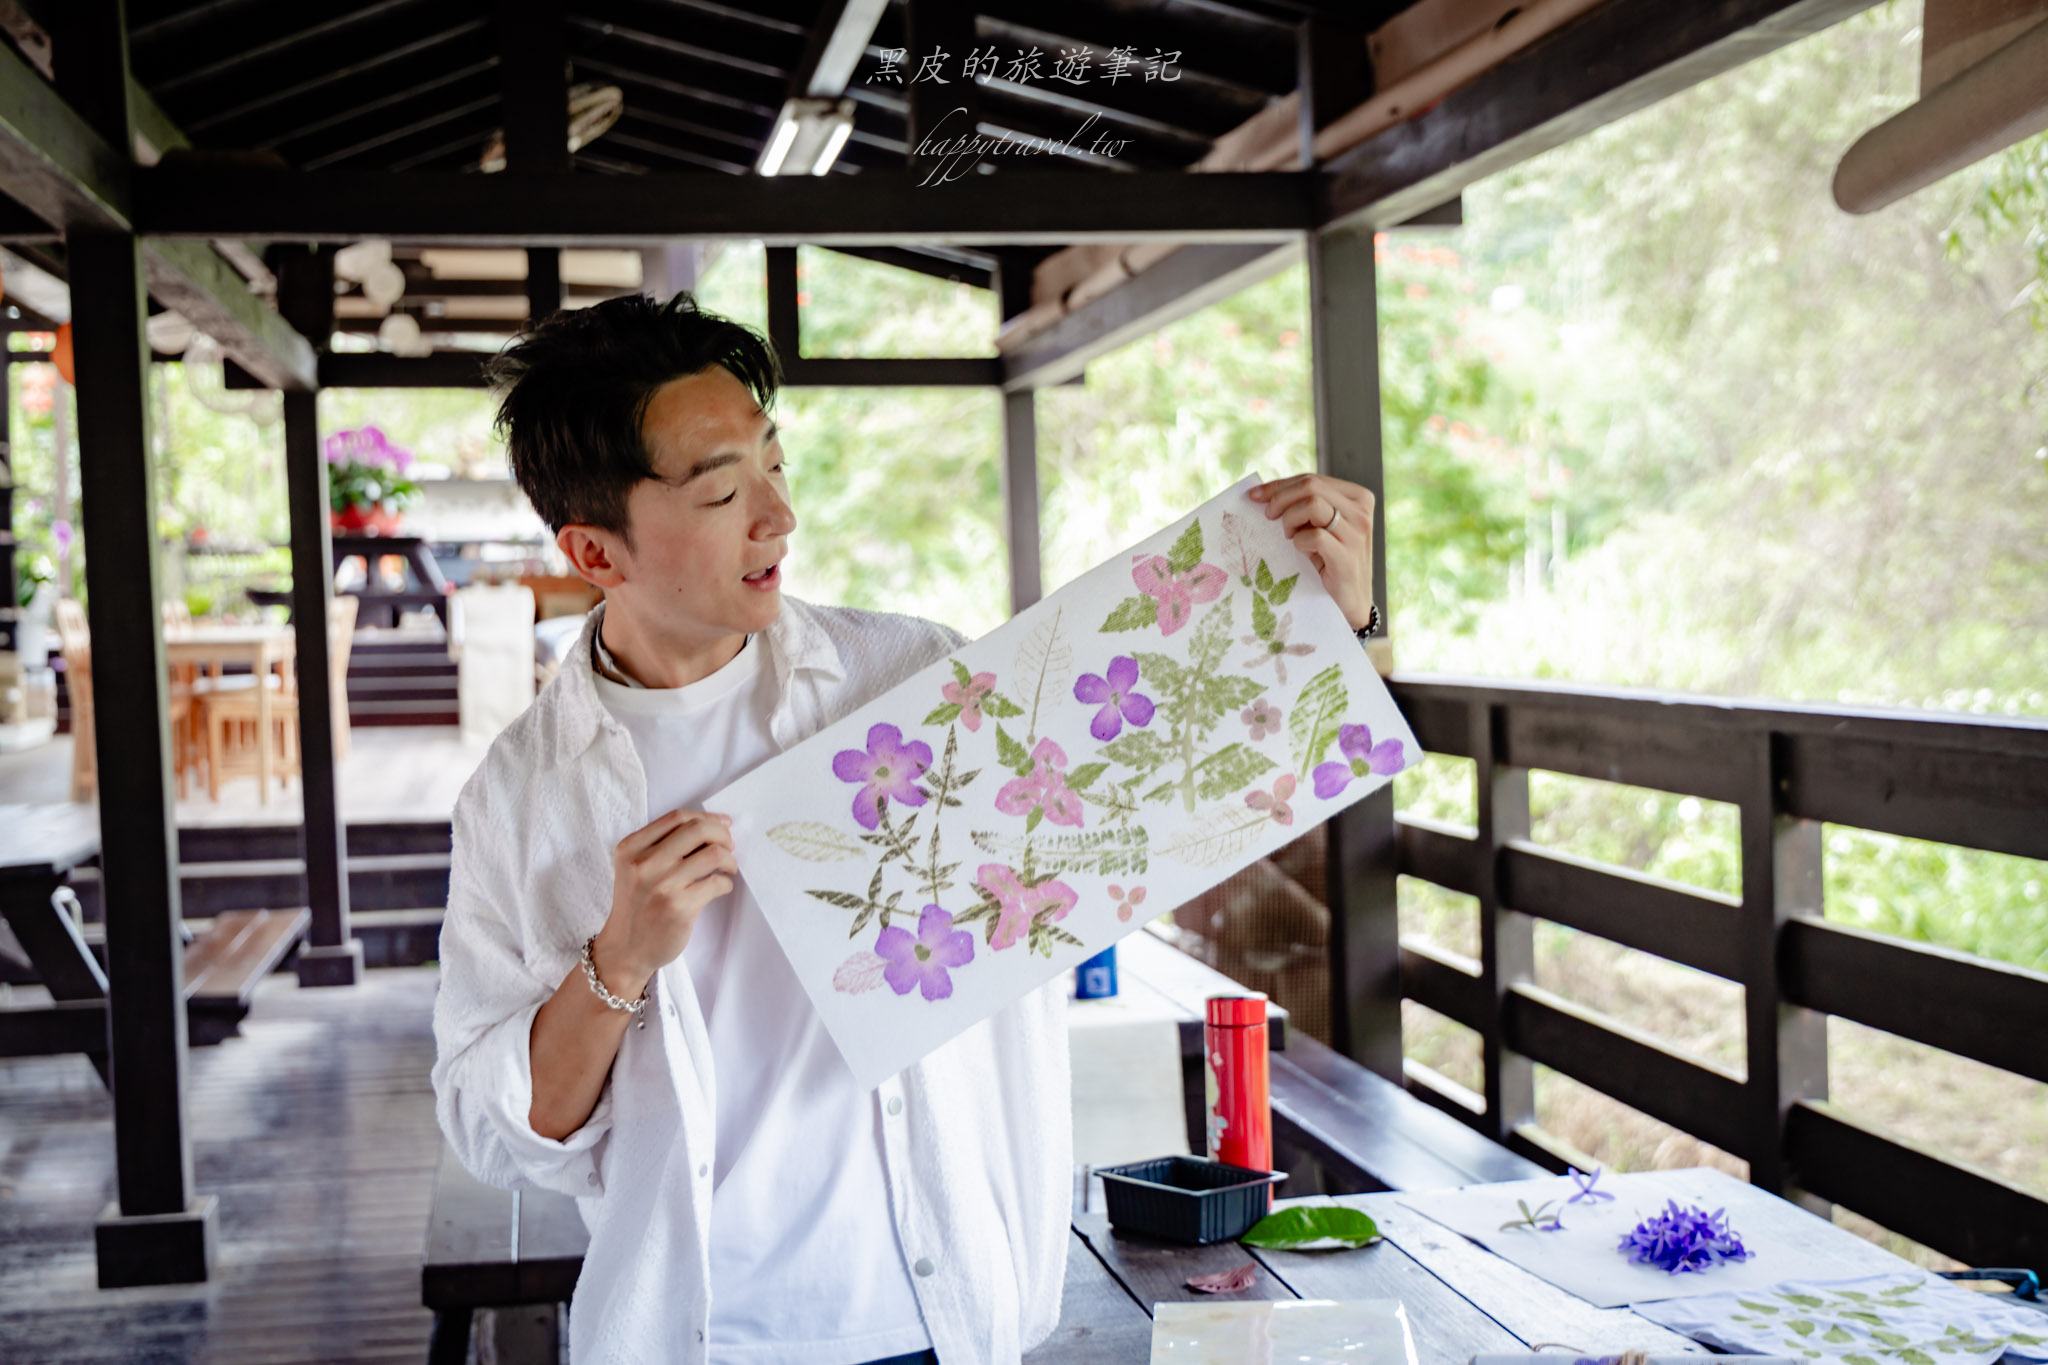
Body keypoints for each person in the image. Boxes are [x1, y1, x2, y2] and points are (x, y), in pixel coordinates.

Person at [428, 290, 1382, 1365]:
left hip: (943, 1314)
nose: (777, 516)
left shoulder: (908, 684)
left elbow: (1188, 780)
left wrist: (1338, 624)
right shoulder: (522, 796)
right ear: (596, 553)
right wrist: (618, 960)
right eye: (722, 491)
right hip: (699, 1334)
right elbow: (500, 1129)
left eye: (775, 466)